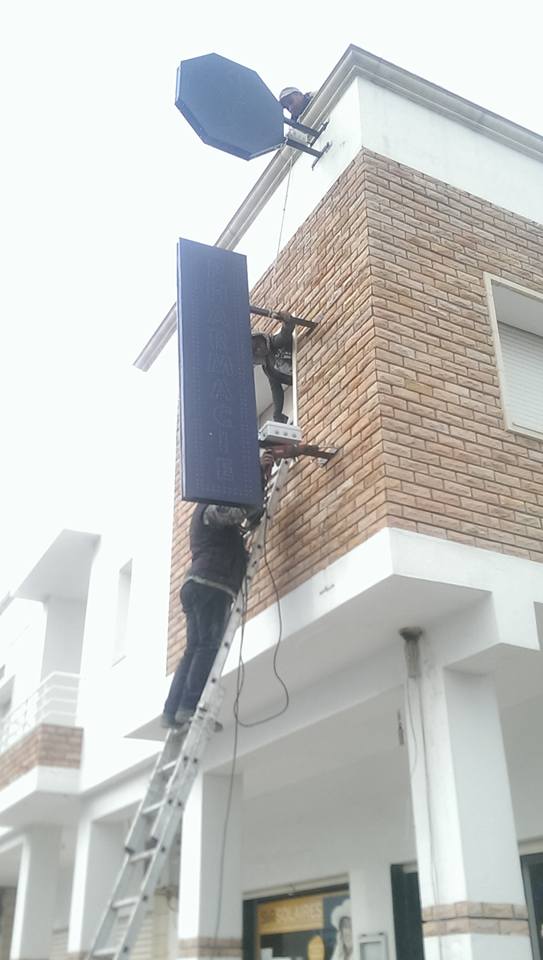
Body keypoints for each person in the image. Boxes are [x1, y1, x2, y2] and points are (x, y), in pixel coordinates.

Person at [162, 451, 274, 730]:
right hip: (210, 584)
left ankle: (173, 711)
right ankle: (190, 711)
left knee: (194, 649)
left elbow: (242, 520)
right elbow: (237, 512)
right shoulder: (208, 507)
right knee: (208, 647)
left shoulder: (207, 513)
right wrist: (255, 481)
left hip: (200, 585)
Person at [251, 317, 295, 423]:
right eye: (255, 351)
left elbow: (284, 335)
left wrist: (287, 321)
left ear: (261, 338)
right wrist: (277, 413)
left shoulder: (274, 343)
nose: (259, 349)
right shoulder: (268, 369)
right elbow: (276, 389)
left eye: (258, 345)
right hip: (300, 380)